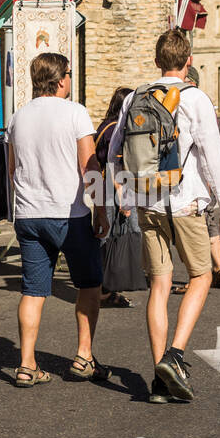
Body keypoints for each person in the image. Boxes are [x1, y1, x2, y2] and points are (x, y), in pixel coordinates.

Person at [108, 31, 220, 403]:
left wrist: (124, 193)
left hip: (147, 205)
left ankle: (159, 381)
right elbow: (213, 159)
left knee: (159, 287)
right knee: (201, 275)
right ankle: (175, 356)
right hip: (184, 204)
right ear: (189, 59)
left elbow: (116, 149)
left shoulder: (135, 97)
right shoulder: (195, 99)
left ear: (156, 59)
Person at [6, 52, 110, 387]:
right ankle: (83, 357)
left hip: (29, 214)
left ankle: (26, 365)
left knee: (33, 291)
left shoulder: (17, 118)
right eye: (68, 73)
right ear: (61, 79)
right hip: (69, 213)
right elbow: (89, 166)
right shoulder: (75, 113)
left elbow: (11, 169)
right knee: (89, 284)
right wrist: (102, 210)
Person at [171, 66, 220, 293]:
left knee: (190, 236)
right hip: (199, 186)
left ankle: (203, 274)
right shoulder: (200, 101)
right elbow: (212, 151)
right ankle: (218, 268)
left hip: (172, 191)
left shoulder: (152, 97)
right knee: (209, 226)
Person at [93, 86, 135, 307]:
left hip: (101, 187)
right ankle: (104, 291)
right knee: (110, 240)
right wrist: (124, 197)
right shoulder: (115, 131)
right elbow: (115, 167)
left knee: (104, 237)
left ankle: (104, 288)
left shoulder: (103, 126)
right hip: (112, 188)